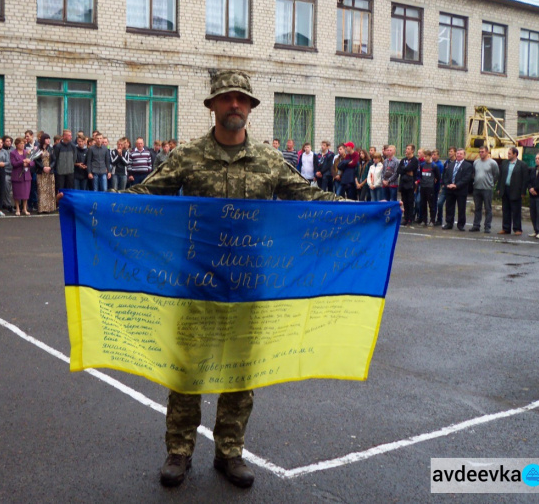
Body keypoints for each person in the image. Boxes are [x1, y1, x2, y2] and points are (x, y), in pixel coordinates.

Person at [120, 70, 352, 489]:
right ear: (212, 105)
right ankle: (179, 451)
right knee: (187, 369)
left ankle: (230, 451)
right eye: (227, 98)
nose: (234, 105)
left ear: (250, 107)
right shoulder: (188, 156)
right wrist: (91, 204)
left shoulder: (267, 161)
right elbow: (146, 194)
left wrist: (368, 213)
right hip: (197, 281)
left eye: (242, 99)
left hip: (247, 284)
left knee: (240, 371)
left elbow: (311, 198)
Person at [497, 147, 529, 236]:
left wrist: (523, 192)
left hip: (516, 190)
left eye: (510, 153)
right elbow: (501, 177)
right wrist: (499, 188)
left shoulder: (522, 165)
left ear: (515, 154)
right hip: (505, 189)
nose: (508, 155)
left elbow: (525, 179)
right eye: (508, 153)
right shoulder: (504, 163)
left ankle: (517, 229)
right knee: (505, 210)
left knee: (516, 210)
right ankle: (506, 228)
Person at [442, 148, 474, 231]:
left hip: (461, 190)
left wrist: (456, 185)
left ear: (464, 155)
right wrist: (447, 184)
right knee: (449, 207)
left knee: (461, 208)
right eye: (458, 153)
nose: (459, 155)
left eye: (461, 154)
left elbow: (466, 178)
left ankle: (461, 225)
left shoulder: (468, 166)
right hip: (450, 190)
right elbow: (445, 176)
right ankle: (449, 223)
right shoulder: (451, 164)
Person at [470, 146, 500, 233]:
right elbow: (474, 173)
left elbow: (496, 174)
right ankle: (476, 225)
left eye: (482, 152)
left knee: (488, 208)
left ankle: (487, 226)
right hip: (477, 188)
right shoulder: (476, 162)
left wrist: (491, 184)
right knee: (477, 208)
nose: (481, 153)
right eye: (480, 152)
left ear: (487, 152)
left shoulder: (492, 163)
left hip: (487, 189)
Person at [10, 137, 34, 215]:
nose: (22, 145)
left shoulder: (27, 152)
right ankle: (17, 208)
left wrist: (28, 162)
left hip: (26, 175)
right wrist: (22, 161)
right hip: (17, 175)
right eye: (20, 143)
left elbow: (33, 163)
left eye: (23, 143)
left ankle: (24, 208)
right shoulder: (13, 153)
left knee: (26, 193)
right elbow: (13, 163)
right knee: (17, 193)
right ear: (16, 144)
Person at [396, 144, 419, 226]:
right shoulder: (403, 160)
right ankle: (405, 218)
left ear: (412, 150)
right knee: (404, 201)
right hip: (403, 183)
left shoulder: (414, 160)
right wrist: (406, 170)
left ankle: (410, 218)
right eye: (406, 148)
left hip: (410, 184)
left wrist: (405, 169)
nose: (406, 150)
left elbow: (410, 168)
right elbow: (399, 170)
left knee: (410, 202)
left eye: (408, 149)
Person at [34, 133, 56, 213]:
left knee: (49, 190)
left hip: (49, 171)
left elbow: (54, 160)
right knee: (41, 190)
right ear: (43, 140)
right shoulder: (38, 149)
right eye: (47, 139)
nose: (48, 140)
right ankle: (42, 208)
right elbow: (36, 160)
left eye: (49, 139)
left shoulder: (51, 149)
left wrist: (50, 167)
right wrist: (43, 167)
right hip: (41, 171)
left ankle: (49, 208)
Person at [417, 150, 440, 226]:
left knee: (431, 204)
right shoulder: (422, 165)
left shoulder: (434, 166)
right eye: (424, 156)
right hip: (423, 187)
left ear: (430, 156)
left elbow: (438, 177)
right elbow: (420, 175)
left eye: (426, 156)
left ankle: (432, 220)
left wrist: (434, 184)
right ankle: (424, 220)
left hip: (430, 187)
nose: (425, 158)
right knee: (423, 204)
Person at [435, 147, 454, 226]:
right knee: (439, 203)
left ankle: (450, 221)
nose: (449, 153)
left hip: (454, 187)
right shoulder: (447, 162)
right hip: (445, 186)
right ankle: (439, 219)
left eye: (451, 151)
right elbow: (444, 174)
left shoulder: (457, 162)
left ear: (455, 153)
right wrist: (443, 184)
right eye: (449, 151)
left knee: (450, 206)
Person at [53, 129, 77, 193]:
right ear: (64, 136)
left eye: (71, 135)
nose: (71, 137)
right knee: (60, 189)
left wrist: (71, 165)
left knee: (70, 189)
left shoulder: (73, 146)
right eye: (69, 135)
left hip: (70, 171)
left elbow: (74, 158)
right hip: (60, 172)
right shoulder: (58, 146)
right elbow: (55, 158)